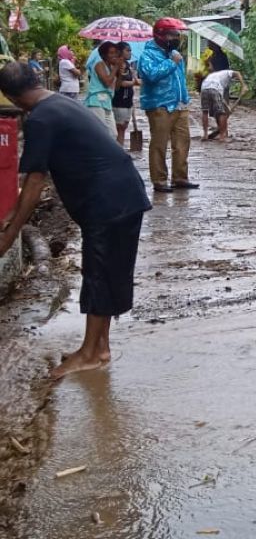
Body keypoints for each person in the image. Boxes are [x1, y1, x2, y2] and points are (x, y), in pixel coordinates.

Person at [0, 62, 151, 378]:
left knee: (98, 274)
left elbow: (35, 181)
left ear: (10, 96)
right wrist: (13, 216)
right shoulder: (60, 102)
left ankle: (89, 353)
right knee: (107, 273)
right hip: (122, 195)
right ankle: (100, 347)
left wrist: (11, 232)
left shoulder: (41, 118)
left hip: (107, 203)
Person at [140, 18, 197, 193]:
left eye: (177, 34)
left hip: (179, 104)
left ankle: (180, 177)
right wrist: (171, 62)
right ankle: (159, 180)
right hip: (159, 105)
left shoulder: (175, 53)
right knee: (159, 143)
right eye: (173, 34)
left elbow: (180, 79)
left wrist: (185, 98)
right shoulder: (148, 55)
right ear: (161, 35)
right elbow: (150, 75)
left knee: (182, 142)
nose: (176, 38)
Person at [83, 41, 121, 138]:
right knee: (100, 132)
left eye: (116, 53)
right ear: (104, 55)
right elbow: (107, 82)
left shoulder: (112, 67)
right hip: (96, 101)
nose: (114, 55)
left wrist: (120, 72)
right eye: (111, 53)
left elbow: (116, 87)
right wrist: (116, 67)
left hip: (107, 102)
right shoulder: (99, 64)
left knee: (113, 134)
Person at [200, 68, 244, 142]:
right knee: (222, 113)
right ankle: (222, 136)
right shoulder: (227, 73)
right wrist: (243, 85)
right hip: (215, 88)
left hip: (204, 88)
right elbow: (237, 72)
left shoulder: (215, 75)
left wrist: (228, 107)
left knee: (205, 112)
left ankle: (205, 135)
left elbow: (221, 99)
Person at [111, 42, 138, 147]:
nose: (130, 52)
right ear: (120, 52)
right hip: (119, 101)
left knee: (124, 127)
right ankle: (117, 151)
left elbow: (130, 80)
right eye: (127, 50)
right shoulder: (116, 65)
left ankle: (119, 149)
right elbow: (119, 84)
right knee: (119, 128)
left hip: (128, 102)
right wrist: (134, 83)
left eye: (130, 50)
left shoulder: (127, 65)